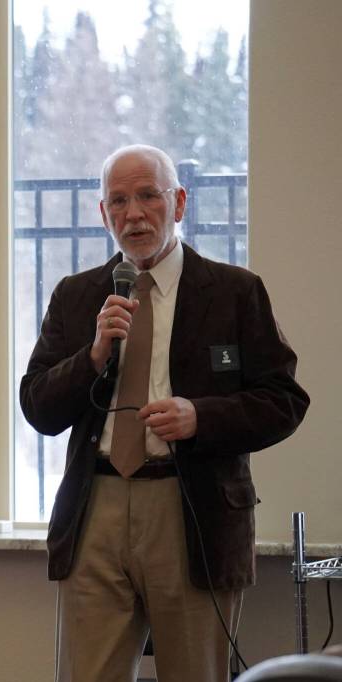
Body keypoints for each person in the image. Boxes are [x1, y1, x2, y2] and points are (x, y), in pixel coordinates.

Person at [20, 144, 310, 682]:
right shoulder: (77, 295)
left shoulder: (233, 292)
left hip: (191, 507)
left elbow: (284, 401)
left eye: (148, 196)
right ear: (102, 213)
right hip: (95, 509)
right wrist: (92, 358)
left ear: (178, 203)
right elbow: (37, 406)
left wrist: (201, 416)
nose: (134, 214)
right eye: (119, 201)